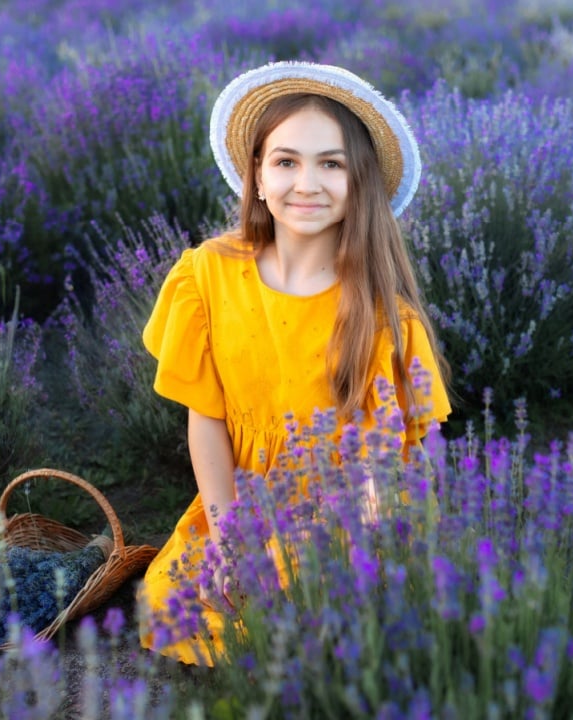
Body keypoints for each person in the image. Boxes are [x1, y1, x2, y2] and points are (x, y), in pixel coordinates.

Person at [136, 61, 451, 666]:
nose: (307, 182)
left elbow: (386, 474)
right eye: (286, 161)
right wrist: (230, 540)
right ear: (255, 177)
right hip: (243, 501)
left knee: (305, 618)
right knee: (174, 598)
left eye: (331, 163)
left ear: (358, 182)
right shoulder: (208, 276)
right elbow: (207, 419)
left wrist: (326, 562)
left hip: (350, 513)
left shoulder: (383, 317)